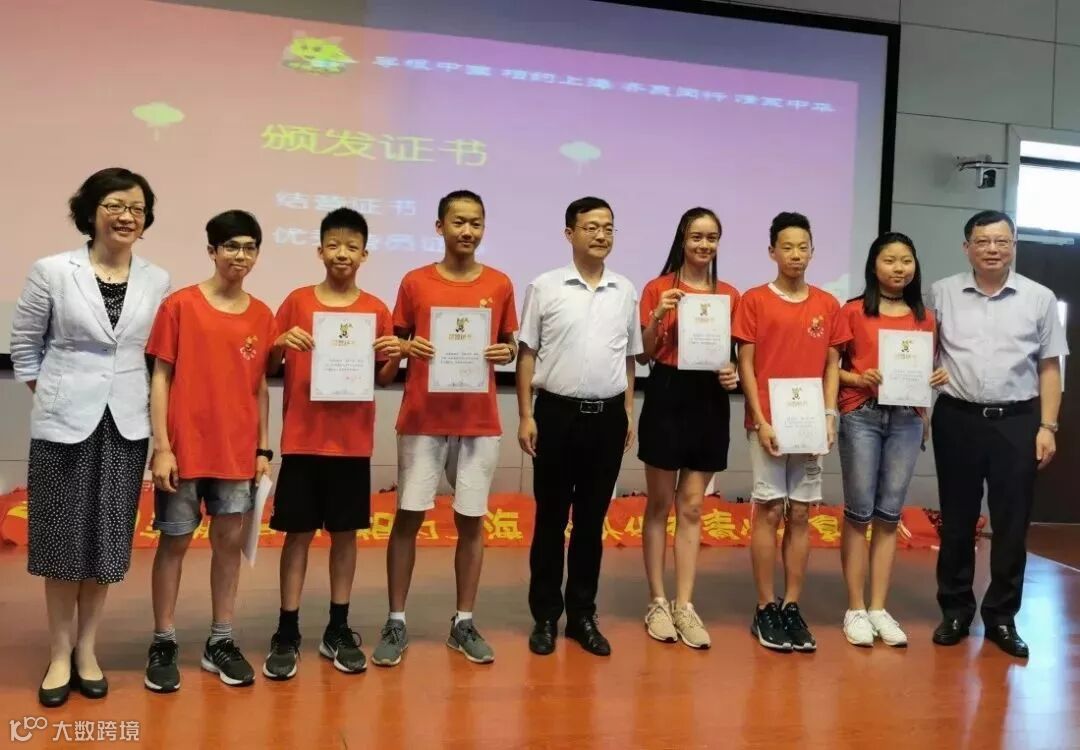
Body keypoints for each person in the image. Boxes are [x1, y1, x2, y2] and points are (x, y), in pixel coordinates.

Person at [11, 168, 170, 707]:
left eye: (137, 209)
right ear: (91, 211)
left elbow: (155, 356)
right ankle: (59, 654)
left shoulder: (158, 279)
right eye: (115, 205)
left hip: (126, 423)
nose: (127, 216)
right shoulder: (53, 271)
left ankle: (87, 650)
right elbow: (25, 346)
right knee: (61, 544)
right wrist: (55, 396)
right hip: (63, 425)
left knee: (106, 542)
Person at [372, 190, 517, 667]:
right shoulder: (415, 282)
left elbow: (510, 345)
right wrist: (404, 348)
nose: (467, 231)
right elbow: (393, 345)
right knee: (408, 517)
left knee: (471, 521)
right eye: (458, 222)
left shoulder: (499, 283)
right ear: (439, 227)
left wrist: (507, 352)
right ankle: (396, 620)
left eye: (476, 223)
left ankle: (463, 622)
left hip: (479, 420)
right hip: (423, 418)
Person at [261, 208, 402, 680]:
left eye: (352, 246)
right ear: (320, 250)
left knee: (345, 535)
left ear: (365, 254)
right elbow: (270, 366)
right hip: (303, 441)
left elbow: (384, 378)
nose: (343, 253)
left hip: (352, 443)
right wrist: (280, 342)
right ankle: (287, 630)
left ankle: (337, 628)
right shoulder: (297, 301)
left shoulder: (376, 309)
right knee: (297, 535)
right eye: (334, 245)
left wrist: (394, 356)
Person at [143, 210, 276, 692]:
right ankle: (163, 641)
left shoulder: (263, 315)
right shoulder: (180, 306)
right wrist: (163, 446)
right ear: (212, 251)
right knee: (174, 543)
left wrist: (262, 448)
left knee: (228, 545)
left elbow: (259, 387)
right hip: (184, 450)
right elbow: (161, 378)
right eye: (231, 246)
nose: (241, 256)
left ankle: (221, 639)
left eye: (249, 248)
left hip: (236, 454)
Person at [929, 210, 1067, 658]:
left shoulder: (1039, 298)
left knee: (1011, 523)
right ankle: (955, 610)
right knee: (957, 519)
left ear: (1013, 246)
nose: (992, 249)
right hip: (957, 418)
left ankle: (1002, 617)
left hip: (1017, 421)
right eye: (983, 241)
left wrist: (1048, 426)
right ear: (966, 246)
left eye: (1002, 241)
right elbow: (921, 350)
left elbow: (1050, 366)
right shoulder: (942, 293)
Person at [518, 196, 642, 657]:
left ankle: (583, 615)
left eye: (608, 227)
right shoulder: (545, 286)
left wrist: (627, 410)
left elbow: (628, 357)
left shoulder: (624, 290)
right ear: (569, 233)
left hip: (607, 418)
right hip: (556, 414)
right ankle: (545, 616)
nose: (601, 235)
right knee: (551, 520)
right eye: (591, 227)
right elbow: (527, 353)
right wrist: (526, 415)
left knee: (591, 522)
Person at [733, 211, 850, 653]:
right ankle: (765, 606)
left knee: (800, 514)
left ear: (812, 252)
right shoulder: (754, 300)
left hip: (810, 425)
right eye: (787, 247)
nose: (796, 255)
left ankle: (792, 605)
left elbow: (833, 366)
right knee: (768, 511)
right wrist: (761, 419)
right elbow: (746, 365)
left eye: (803, 247)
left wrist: (829, 416)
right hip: (769, 425)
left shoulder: (827, 304)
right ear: (772, 252)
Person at [836, 233, 948, 647]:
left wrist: (937, 380)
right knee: (859, 512)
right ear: (873, 265)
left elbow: (931, 369)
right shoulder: (852, 311)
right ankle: (855, 608)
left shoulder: (926, 318)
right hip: (861, 415)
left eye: (906, 260)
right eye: (890, 260)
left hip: (907, 420)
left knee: (888, 515)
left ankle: (878, 608)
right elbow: (831, 369)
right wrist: (857, 378)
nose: (899, 268)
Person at [636, 207, 739, 649]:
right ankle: (657, 601)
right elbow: (643, 354)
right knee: (660, 504)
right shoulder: (657, 288)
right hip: (667, 392)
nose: (704, 245)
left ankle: (685, 604)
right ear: (682, 239)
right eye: (697, 236)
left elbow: (735, 358)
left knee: (693, 506)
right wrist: (658, 315)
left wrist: (733, 372)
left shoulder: (730, 295)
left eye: (711, 237)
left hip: (709, 399)